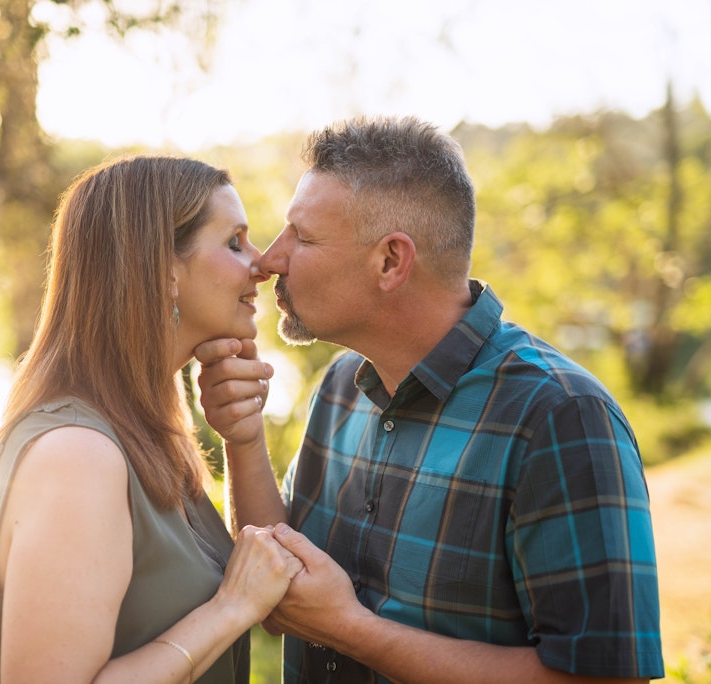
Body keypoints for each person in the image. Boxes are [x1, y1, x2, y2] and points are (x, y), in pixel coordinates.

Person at [195, 115, 665, 683]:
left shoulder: (562, 418)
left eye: (303, 237)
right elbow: (283, 598)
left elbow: (605, 679)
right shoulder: (341, 388)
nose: (271, 259)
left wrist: (352, 629)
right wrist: (243, 438)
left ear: (391, 261)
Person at [0, 155, 303, 684]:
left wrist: (242, 438)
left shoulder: (144, 435)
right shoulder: (77, 456)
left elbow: (279, 578)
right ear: (164, 272)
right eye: (235, 243)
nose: (262, 264)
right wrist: (231, 609)